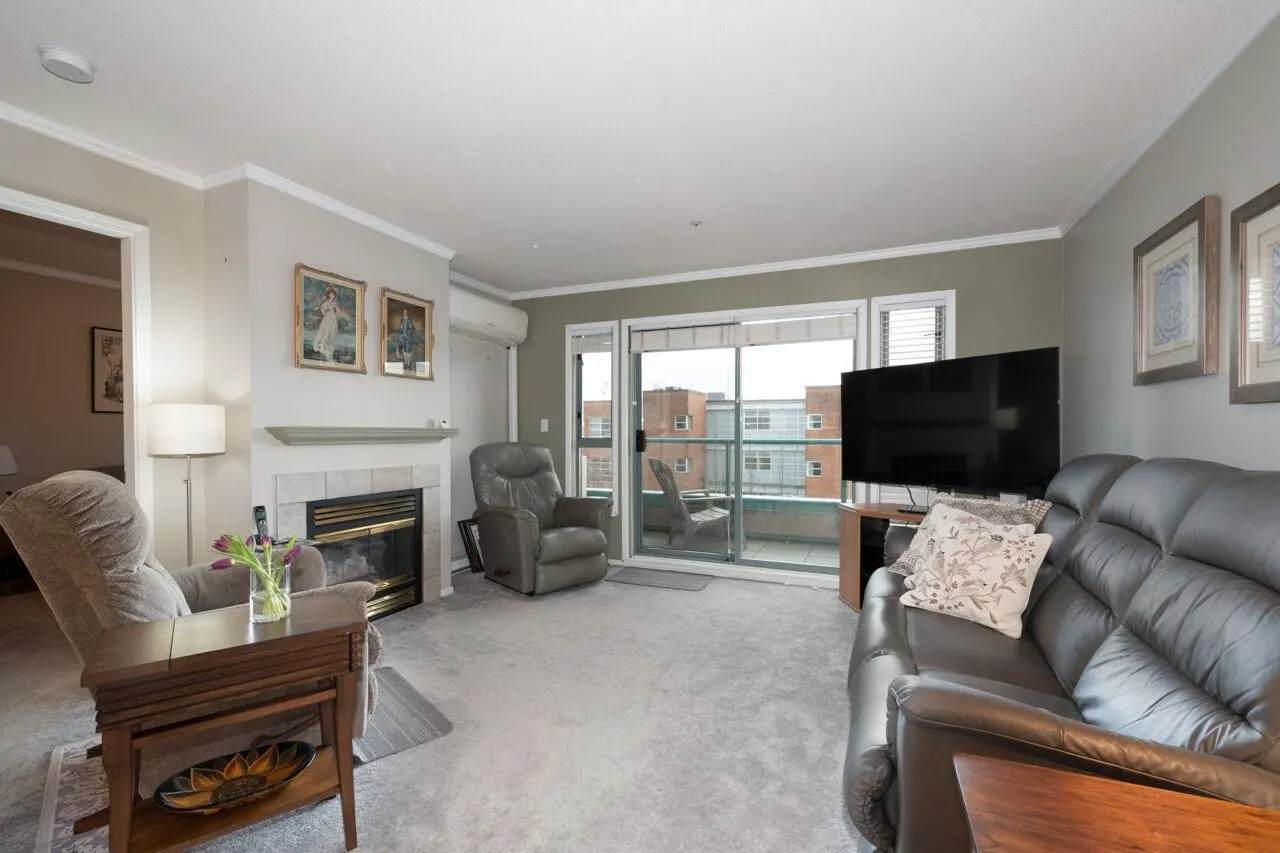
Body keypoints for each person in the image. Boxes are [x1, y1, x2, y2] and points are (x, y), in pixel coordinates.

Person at [313, 287, 342, 361]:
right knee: (326, 332)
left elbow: (338, 314)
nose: (332, 296)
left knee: (332, 333)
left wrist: (335, 309)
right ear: (328, 295)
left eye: (333, 295)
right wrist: (329, 312)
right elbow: (323, 312)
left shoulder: (335, 304)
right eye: (331, 294)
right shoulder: (326, 303)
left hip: (333, 320)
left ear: (335, 296)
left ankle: (328, 352)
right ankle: (322, 347)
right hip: (328, 319)